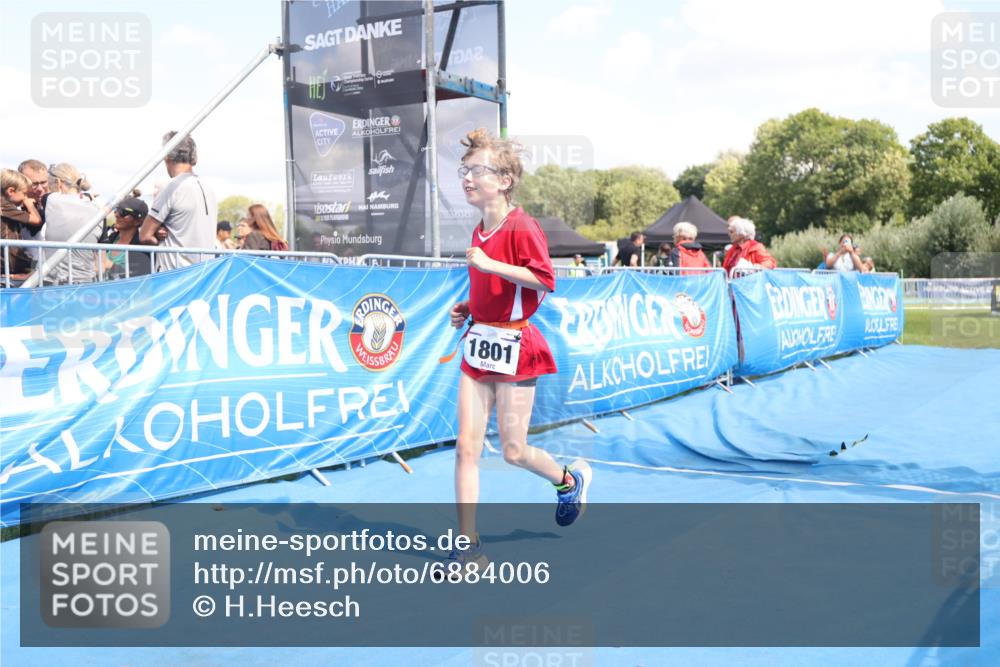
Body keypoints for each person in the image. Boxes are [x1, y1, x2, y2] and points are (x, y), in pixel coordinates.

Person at [444, 128, 591, 575]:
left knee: (513, 451)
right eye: (464, 171)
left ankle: (569, 480)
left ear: (504, 180)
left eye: (477, 171)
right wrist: (471, 305)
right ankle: (468, 547)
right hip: (479, 344)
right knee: (466, 448)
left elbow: (545, 280)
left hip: (516, 346)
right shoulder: (479, 226)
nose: (467, 178)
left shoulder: (523, 225)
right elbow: (499, 287)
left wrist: (490, 266)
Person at [140, 131, 217, 270]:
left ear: (167, 155)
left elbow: (145, 235)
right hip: (205, 274)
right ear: (194, 157)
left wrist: (158, 238)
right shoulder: (209, 188)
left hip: (175, 276)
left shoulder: (170, 187)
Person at [42, 163, 101, 284]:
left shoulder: (50, 199)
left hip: (53, 280)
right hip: (86, 280)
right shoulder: (97, 209)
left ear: (58, 182)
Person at [1, 168, 40, 284]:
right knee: (38, 269)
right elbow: (37, 220)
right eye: (24, 193)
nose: (25, 198)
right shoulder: (5, 206)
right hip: (11, 263)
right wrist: (30, 205)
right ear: (11, 191)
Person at [100, 193, 153, 278]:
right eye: (117, 210)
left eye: (123, 212)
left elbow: (139, 276)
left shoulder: (142, 248)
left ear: (138, 221)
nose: (117, 214)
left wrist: (109, 265)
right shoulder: (110, 238)